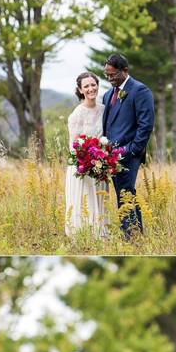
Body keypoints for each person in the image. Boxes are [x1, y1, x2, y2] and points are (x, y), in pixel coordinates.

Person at [101, 54, 155, 238]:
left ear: (125, 71)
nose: (109, 79)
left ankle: (132, 235)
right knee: (123, 193)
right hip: (110, 155)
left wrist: (132, 150)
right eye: (106, 75)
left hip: (129, 154)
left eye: (113, 75)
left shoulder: (140, 91)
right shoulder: (108, 94)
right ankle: (132, 234)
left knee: (125, 193)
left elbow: (145, 125)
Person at [65, 71, 108, 238]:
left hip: (100, 165)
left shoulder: (104, 110)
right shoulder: (77, 114)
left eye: (93, 84)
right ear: (80, 90)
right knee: (84, 199)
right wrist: (87, 161)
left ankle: (100, 232)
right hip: (81, 165)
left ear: (97, 85)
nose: (91, 88)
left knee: (98, 198)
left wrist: (102, 159)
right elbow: (73, 145)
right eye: (86, 86)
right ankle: (83, 234)